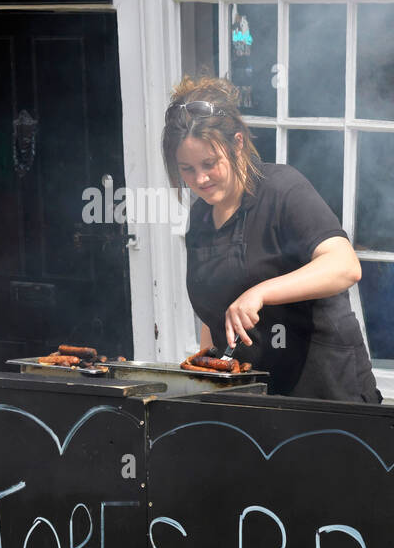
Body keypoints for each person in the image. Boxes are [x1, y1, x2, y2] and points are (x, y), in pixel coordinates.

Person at [161, 76, 380, 403]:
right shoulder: (201, 217)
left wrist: (261, 292)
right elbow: (215, 314)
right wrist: (206, 367)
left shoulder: (283, 190)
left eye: (209, 164)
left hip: (326, 391)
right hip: (256, 396)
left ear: (237, 143)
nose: (200, 179)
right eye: (187, 169)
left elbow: (345, 266)